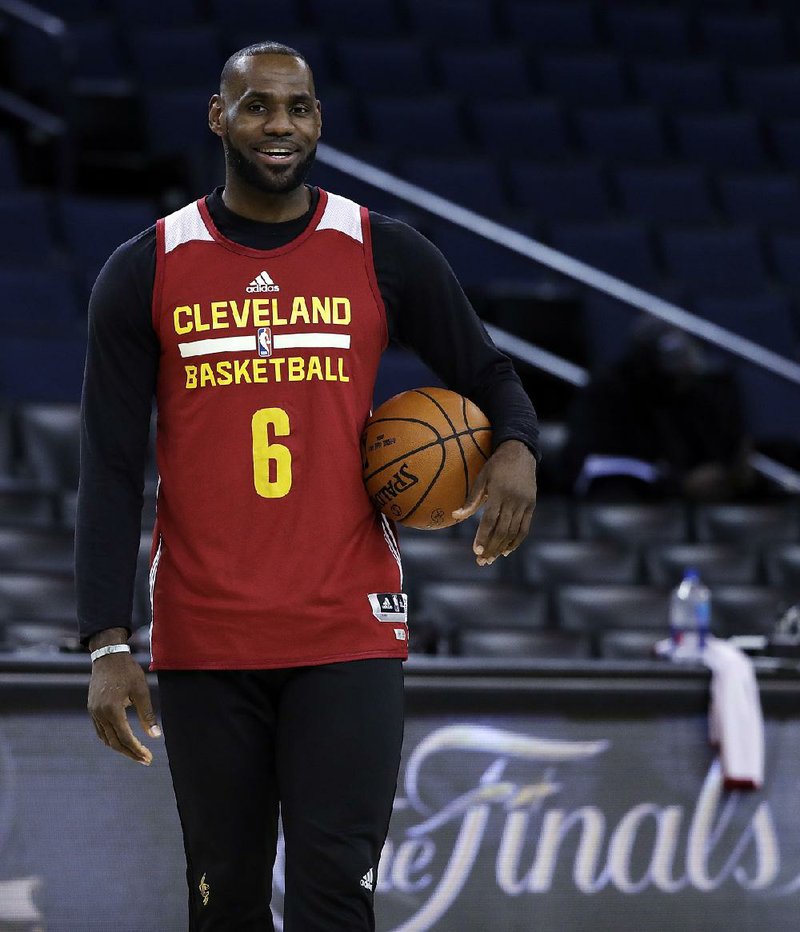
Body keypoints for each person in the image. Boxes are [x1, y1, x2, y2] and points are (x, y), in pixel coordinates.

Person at [76, 42, 539, 931]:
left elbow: (490, 371)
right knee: (224, 904)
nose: (278, 125)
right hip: (206, 634)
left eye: (297, 107)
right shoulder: (148, 266)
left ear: (319, 120)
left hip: (347, 631)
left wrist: (515, 445)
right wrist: (105, 641)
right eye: (256, 106)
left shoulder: (380, 249)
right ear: (219, 117)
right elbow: (108, 466)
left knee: (336, 900)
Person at [561, 316, 753, 501]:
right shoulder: (608, 393)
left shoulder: (695, 392)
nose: (681, 382)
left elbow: (720, 458)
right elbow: (601, 466)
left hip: (686, 503)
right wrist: (678, 484)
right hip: (626, 498)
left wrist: (731, 472)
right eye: (674, 376)